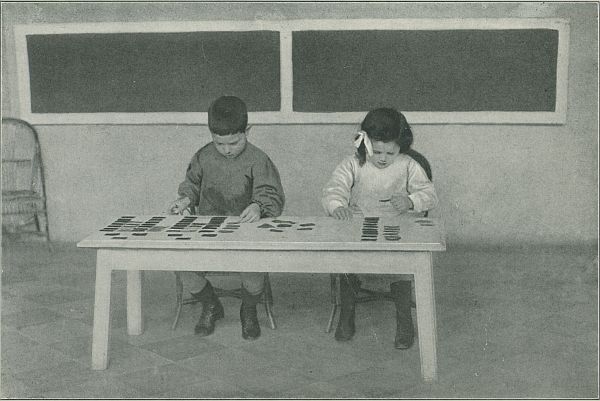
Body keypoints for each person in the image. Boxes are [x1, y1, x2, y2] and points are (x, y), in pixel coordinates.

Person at [168, 95, 285, 340]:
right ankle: (211, 304)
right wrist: (185, 199)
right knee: (180, 263)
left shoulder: (258, 159)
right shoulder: (203, 156)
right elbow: (192, 184)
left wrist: (258, 206)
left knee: (253, 268)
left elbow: (271, 194)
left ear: (248, 131)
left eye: (234, 142)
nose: (227, 149)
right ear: (211, 135)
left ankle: (249, 308)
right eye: (219, 143)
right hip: (209, 229)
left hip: (248, 232)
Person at [321, 107, 438, 349]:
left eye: (390, 152)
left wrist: (410, 201)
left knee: (402, 267)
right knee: (346, 262)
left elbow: (429, 194)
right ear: (365, 143)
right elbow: (334, 188)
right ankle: (347, 314)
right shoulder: (353, 164)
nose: (383, 158)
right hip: (361, 223)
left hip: (398, 225)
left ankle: (404, 320)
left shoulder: (408, 165)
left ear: (401, 147)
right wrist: (337, 206)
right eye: (377, 151)